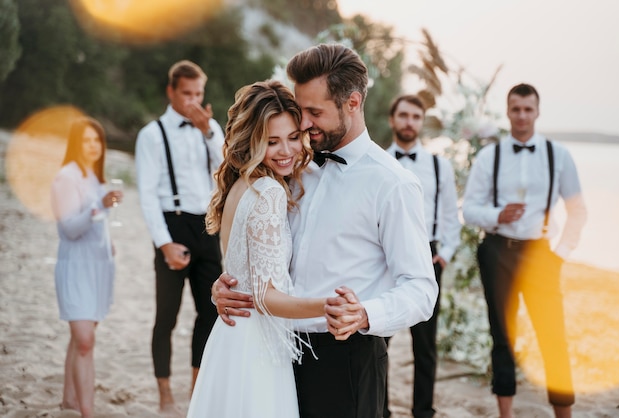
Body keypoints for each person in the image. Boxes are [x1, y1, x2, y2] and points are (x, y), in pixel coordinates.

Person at [212, 43, 439, 418]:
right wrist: (229, 286)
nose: (303, 124)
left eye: (314, 112)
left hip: (346, 358)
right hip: (278, 353)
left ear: (352, 103)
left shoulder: (393, 184)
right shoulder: (293, 169)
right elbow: (260, 251)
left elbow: (421, 288)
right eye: (301, 111)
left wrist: (364, 313)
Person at [186, 79, 362, 418]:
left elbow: (239, 273)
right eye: (272, 142)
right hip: (256, 342)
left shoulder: (240, 185)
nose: (286, 151)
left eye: (294, 138)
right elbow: (265, 297)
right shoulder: (269, 192)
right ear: (252, 142)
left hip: (231, 337)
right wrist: (330, 305)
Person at [462, 83, 587, 418]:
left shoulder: (558, 155)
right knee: (502, 337)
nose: (521, 116)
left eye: (528, 109)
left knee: (553, 335)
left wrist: (560, 253)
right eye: (515, 109)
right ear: (507, 112)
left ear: (537, 111)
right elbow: (469, 210)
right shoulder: (490, 156)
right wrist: (496, 215)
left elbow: (577, 210)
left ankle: (564, 414)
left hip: (540, 254)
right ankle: (506, 414)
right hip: (497, 251)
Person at [134, 60, 224, 414]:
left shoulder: (210, 127)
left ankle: (197, 390)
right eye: (186, 93)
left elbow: (228, 167)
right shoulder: (152, 134)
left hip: (208, 227)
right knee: (166, 317)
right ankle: (164, 394)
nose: (193, 101)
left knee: (210, 313)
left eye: (199, 94)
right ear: (171, 92)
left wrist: (209, 132)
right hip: (172, 226)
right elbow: (146, 194)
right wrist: (164, 243)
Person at [384, 95, 461, 418]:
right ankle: (381, 409)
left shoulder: (439, 166)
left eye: (416, 116)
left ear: (422, 121)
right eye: (403, 115)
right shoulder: (379, 160)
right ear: (392, 119)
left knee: (425, 345)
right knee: (380, 340)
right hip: (384, 256)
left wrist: (442, 255)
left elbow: (450, 217)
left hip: (426, 256)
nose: (409, 122)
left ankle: (423, 411)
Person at [51, 117, 123, 418]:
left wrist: (109, 242)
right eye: (86, 141)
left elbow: (97, 224)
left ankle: (69, 400)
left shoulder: (94, 176)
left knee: (80, 337)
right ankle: (86, 412)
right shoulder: (66, 177)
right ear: (75, 144)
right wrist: (101, 206)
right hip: (77, 267)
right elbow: (69, 228)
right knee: (84, 341)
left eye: (97, 141)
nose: (92, 147)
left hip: (99, 267)